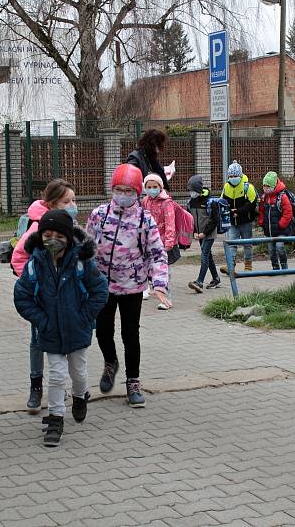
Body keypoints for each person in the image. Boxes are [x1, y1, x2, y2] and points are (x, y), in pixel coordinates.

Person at [14, 210, 109, 447]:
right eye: (47, 234)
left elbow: (100, 291)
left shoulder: (81, 262)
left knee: (78, 372)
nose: (52, 239)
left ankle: (80, 396)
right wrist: (42, 320)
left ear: (68, 237)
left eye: (58, 235)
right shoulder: (36, 263)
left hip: (77, 329)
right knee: (56, 375)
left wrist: (84, 317)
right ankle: (56, 419)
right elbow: (22, 296)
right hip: (50, 331)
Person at [86, 163, 170, 408]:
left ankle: (133, 382)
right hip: (102, 285)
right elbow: (87, 248)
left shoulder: (145, 219)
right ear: (112, 189)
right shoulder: (99, 215)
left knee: (130, 334)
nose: (123, 195)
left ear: (137, 192)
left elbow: (157, 254)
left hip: (132, 286)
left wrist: (160, 284)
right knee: (102, 331)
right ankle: (110, 363)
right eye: (119, 190)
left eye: (128, 190)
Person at [10, 179, 78, 411]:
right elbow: (18, 257)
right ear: (51, 204)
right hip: (43, 298)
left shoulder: (73, 226)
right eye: (66, 201)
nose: (72, 205)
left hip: (67, 296)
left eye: (73, 200)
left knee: (67, 340)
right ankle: (36, 387)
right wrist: (34, 283)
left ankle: (61, 385)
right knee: (38, 341)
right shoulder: (38, 227)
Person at [141, 173, 177, 309]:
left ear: (160, 187)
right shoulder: (145, 201)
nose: (152, 189)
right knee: (146, 267)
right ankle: (146, 290)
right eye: (148, 187)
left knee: (165, 272)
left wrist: (168, 243)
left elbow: (170, 223)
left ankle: (167, 299)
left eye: (154, 186)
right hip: (148, 242)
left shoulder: (167, 202)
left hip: (162, 243)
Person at [221, 161, 258, 273]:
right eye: (231, 176)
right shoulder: (226, 187)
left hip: (245, 221)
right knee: (232, 243)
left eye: (235, 175)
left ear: (240, 175)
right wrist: (231, 212)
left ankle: (248, 265)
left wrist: (238, 211)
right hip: (233, 222)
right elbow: (223, 202)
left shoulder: (248, 187)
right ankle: (230, 266)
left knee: (247, 244)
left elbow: (251, 204)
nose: (233, 178)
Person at [187, 175, 222, 291]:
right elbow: (190, 218)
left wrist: (205, 233)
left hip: (209, 234)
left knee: (204, 256)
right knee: (208, 256)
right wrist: (195, 233)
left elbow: (214, 220)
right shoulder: (191, 202)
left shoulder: (210, 202)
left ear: (198, 189)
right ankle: (216, 278)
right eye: (190, 190)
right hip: (199, 234)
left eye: (193, 190)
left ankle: (200, 282)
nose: (191, 193)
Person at [258, 171, 293, 270]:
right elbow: (261, 211)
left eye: (267, 186)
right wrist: (261, 222)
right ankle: (275, 267)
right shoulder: (264, 197)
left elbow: (288, 212)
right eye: (264, 186)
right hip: (269, 230)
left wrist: (281, 224)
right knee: (271, 250)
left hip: (280, 229)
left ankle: (284, 265)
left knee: (280, 247)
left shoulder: (282, 197)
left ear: (273, 186)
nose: (265, 188)